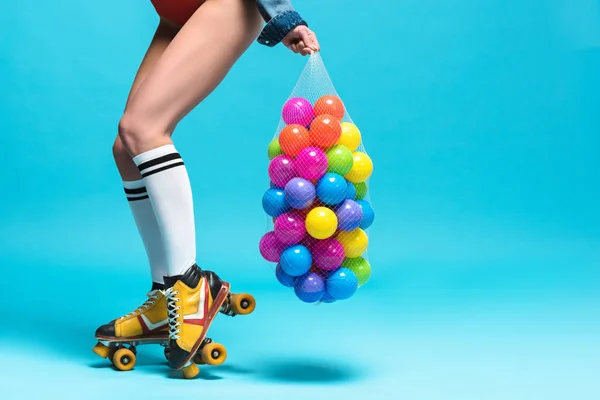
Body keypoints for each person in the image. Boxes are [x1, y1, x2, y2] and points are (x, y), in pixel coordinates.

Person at [92, 0, 320, 377]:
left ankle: (189, 287)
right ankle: (166, 301)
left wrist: (283, 16)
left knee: (143, 130)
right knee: (126, 150)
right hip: (176, 11)